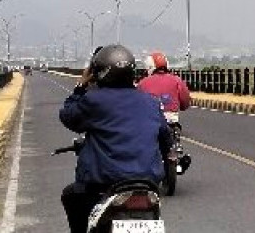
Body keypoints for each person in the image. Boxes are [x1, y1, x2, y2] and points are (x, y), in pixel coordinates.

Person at [59, 44, 172, 233]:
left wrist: (80, 86)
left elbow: (68, 116)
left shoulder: (94, 100)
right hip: (148, 185)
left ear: (98, 72)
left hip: (104, 185)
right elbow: (165, 139)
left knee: (70, 195)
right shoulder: (151, 103)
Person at [137, 51, 191, 118]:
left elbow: (137, 105)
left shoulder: (143, 83)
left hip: (150, 121)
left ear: (149, 66)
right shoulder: (177, 80)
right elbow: (185, 103)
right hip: (171, 121)